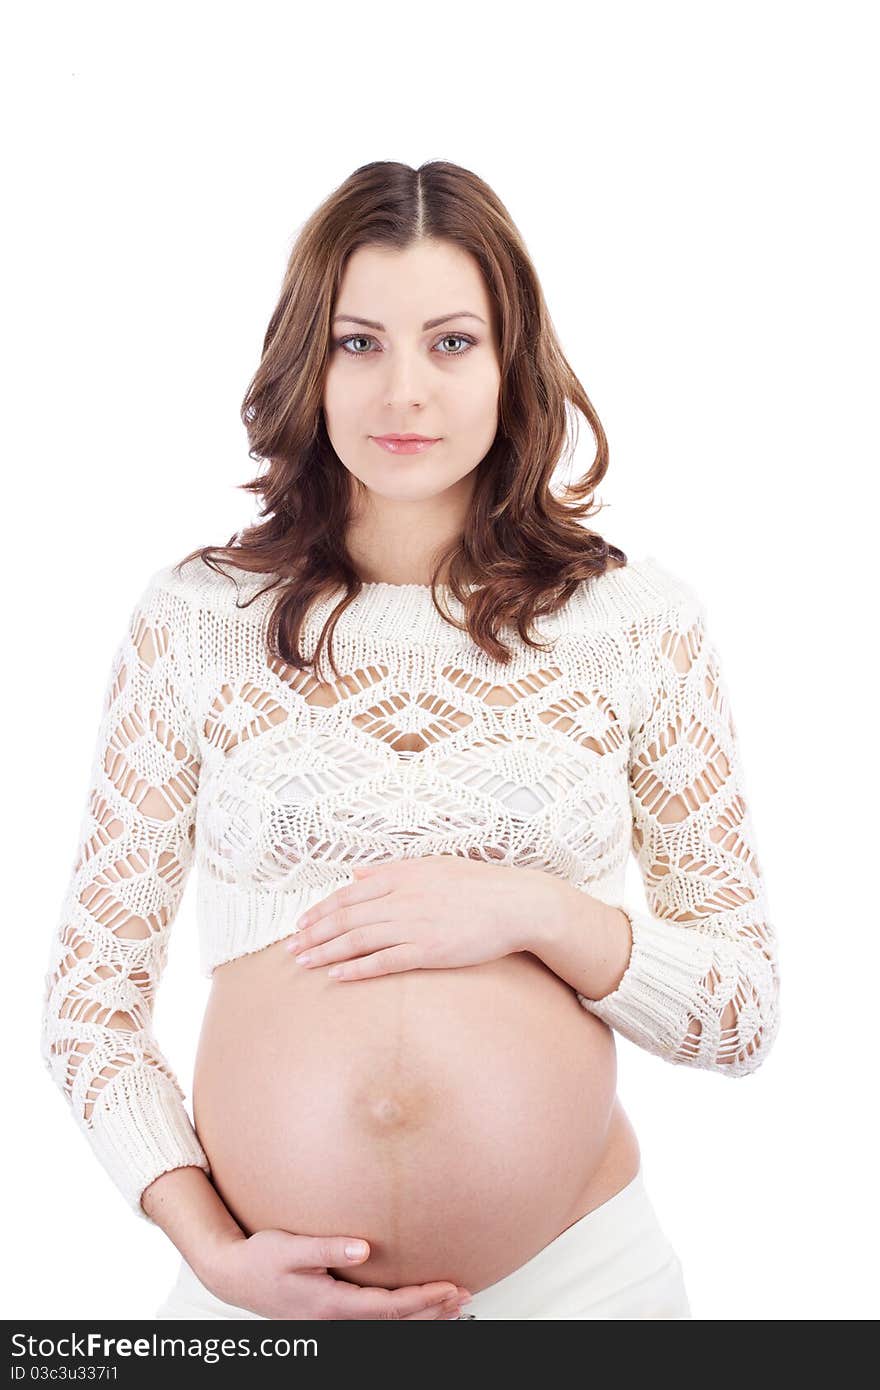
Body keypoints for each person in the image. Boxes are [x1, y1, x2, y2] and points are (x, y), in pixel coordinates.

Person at [40, 159, 780, 1321]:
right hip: (257, 1304)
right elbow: (90, 1008)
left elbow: (739, 1011)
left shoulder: (638, 623)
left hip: (579, 1283)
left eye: (449, 342)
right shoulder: (193, 620)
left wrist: (535, 911)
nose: (404, 395)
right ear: (307, 363)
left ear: (509, 362)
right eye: (357, 343)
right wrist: (214, 1251)